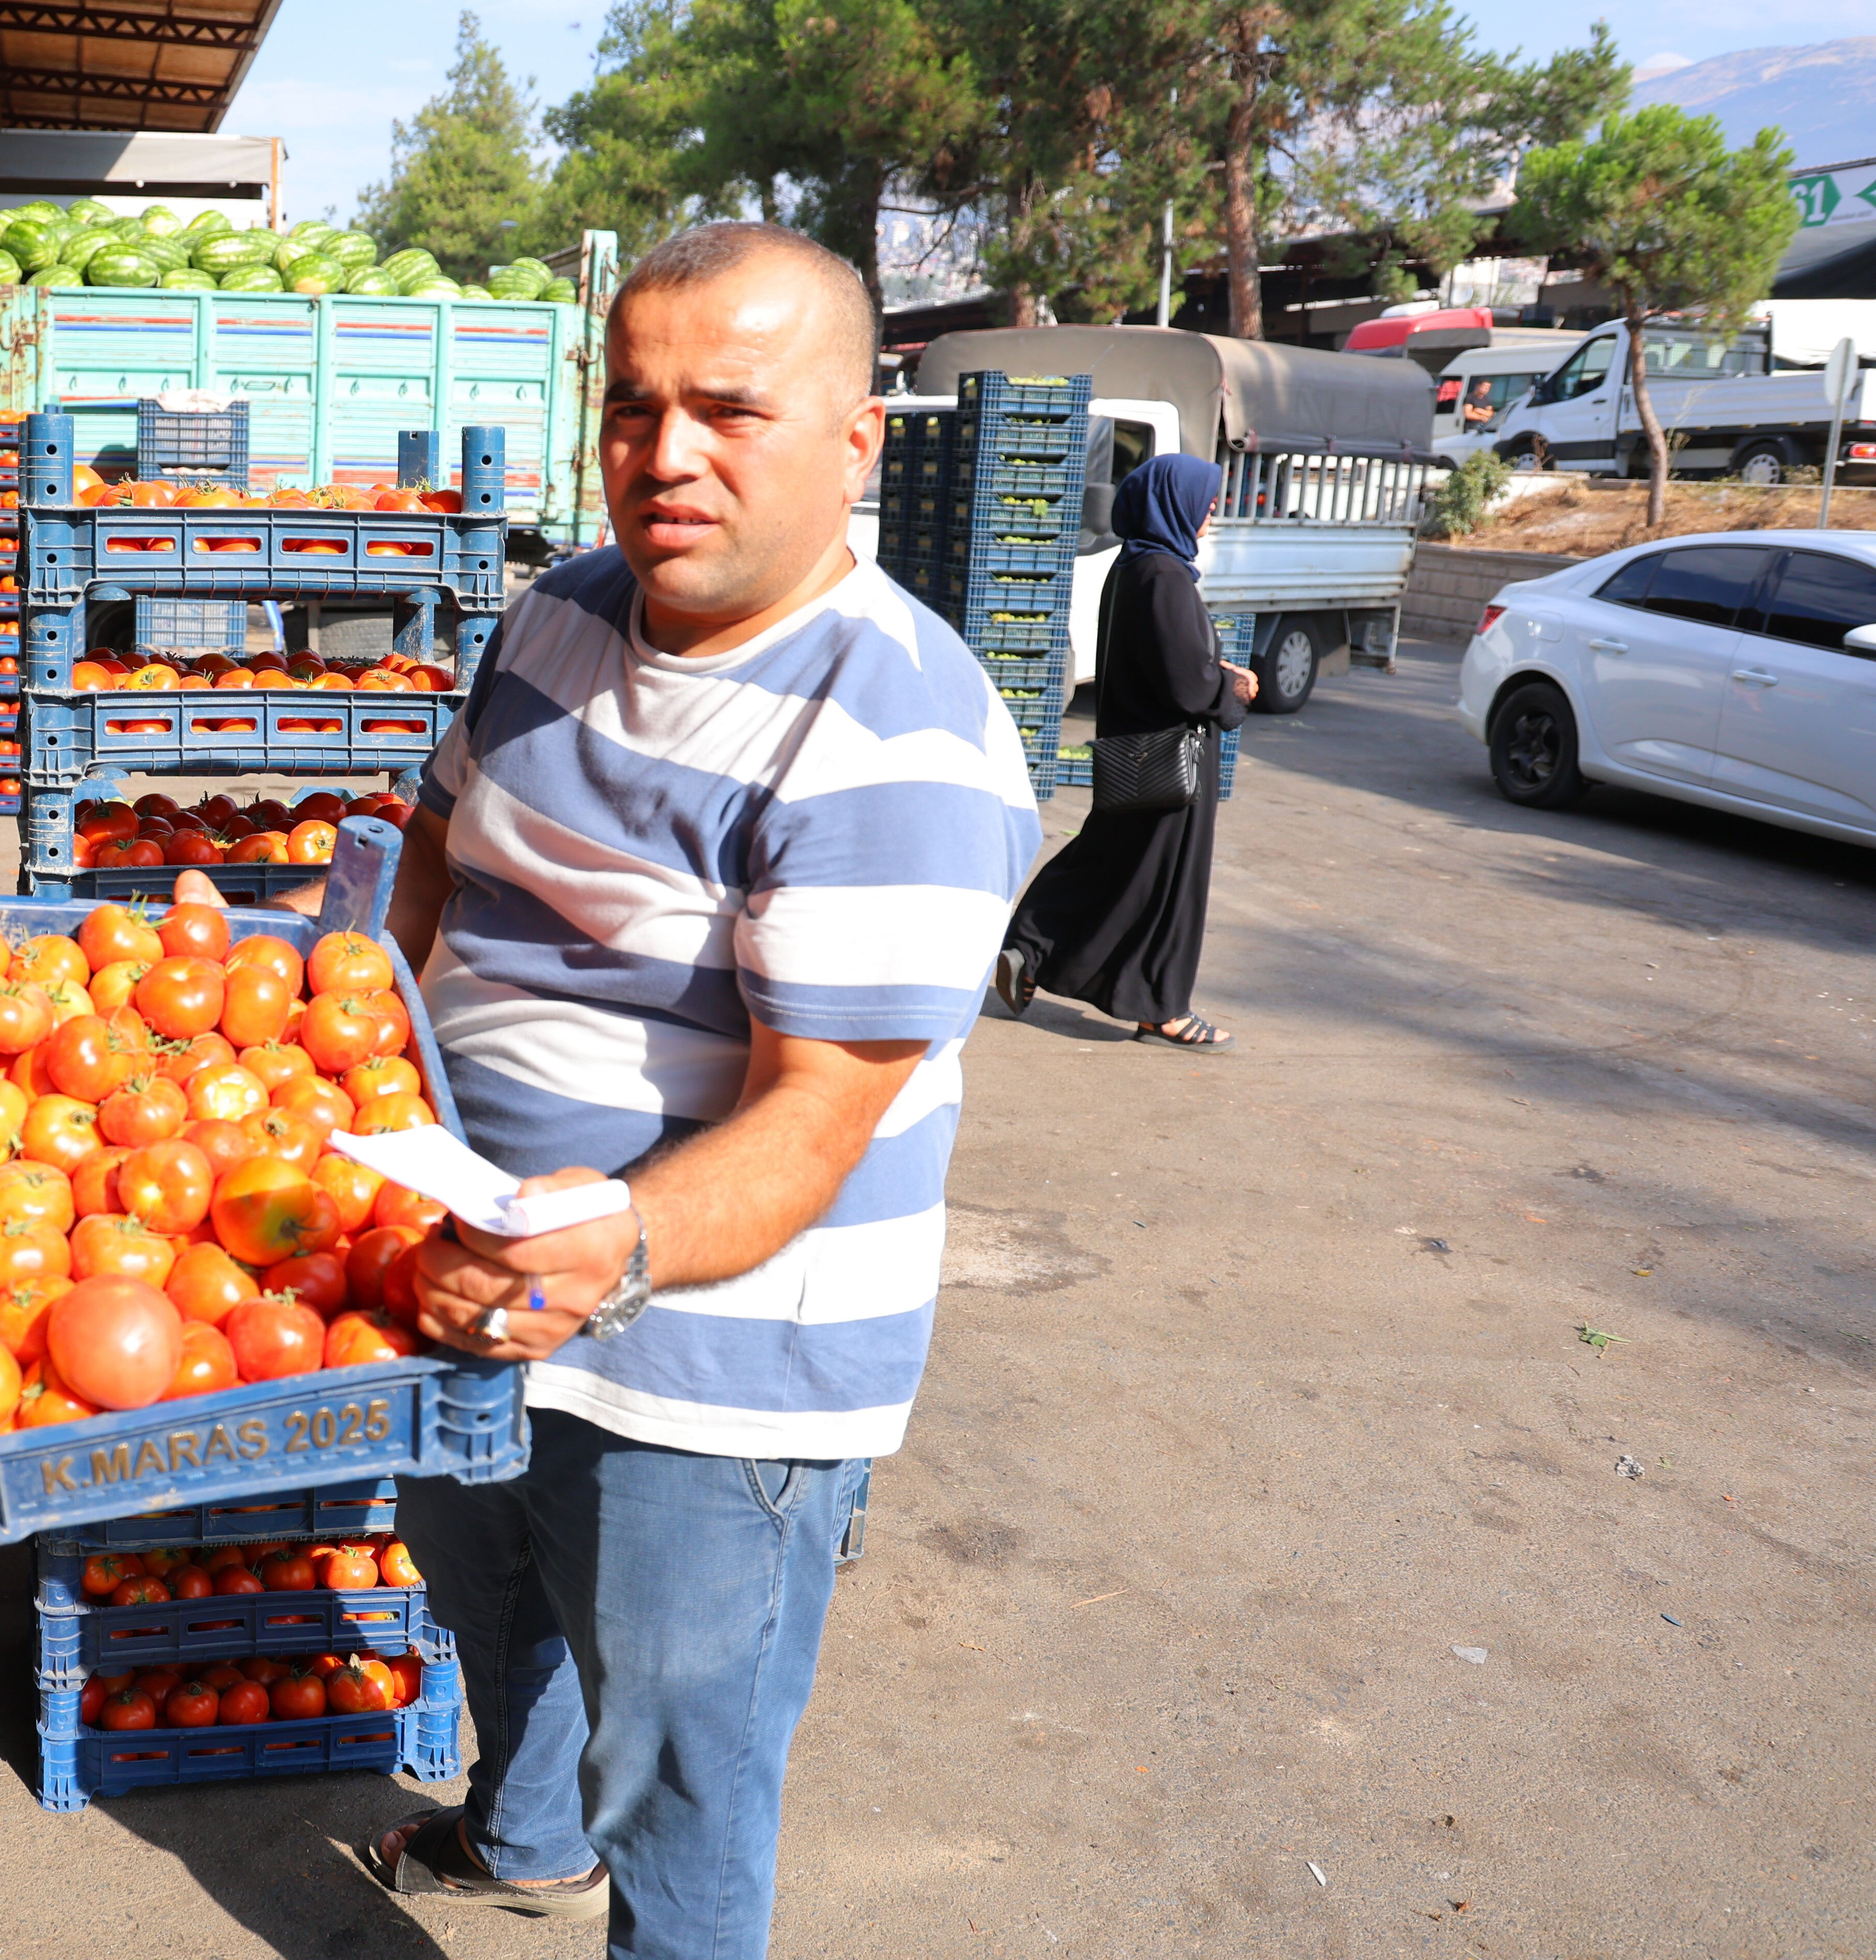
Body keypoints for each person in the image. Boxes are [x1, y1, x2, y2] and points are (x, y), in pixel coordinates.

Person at [310, 223, 1041, 1958]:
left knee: (688, 1788)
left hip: (712, 1368)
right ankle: (522, 1837)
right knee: (491, 1599)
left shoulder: (893, 738)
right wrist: (327, 1012)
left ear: (857, 440)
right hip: (468, 1268)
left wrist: (613, 1247)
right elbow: (428, 848)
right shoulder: (559, 612)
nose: (668, 456)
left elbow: (815, 1122)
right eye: (634, 409)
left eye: (731, 409)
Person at [991, 454, 1258, 1051]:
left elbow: (1164, 659)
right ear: (1174, 503)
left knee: (1111, 864)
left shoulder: (1133, 566)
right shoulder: (1164, 575)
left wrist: (1211, 668)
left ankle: (1029, 949)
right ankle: (1161, 1008)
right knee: (1166, 885)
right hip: (1171, 756)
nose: (1212, 510)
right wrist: (1233, 690)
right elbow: (1186, 684)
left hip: (1133, 746)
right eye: (1205, 499)